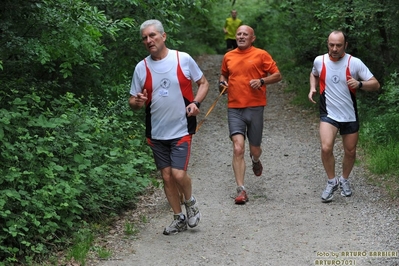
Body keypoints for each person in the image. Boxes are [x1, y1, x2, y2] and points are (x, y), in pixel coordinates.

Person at [129, 19, 209, 234]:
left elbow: (203, 83)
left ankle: (190, 203)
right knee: (166, 177)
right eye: (145, 38)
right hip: (156, 132)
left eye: (152, 35)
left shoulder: (182, 59)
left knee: (178, 175)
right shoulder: (142, 67)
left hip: (181, 129)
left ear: (163, 36)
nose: (148, 40)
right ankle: (178, 217)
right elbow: (133, 102)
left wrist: (196, 103)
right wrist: (136, 102)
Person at [308, 30, 380, 203]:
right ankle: (332, 181)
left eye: (338, 45)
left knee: (350, 151)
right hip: (329, 113)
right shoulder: (320, 60)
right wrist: (312, 88)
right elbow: (314, 73)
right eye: (331, 44)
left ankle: (344, 179)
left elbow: (376, 84)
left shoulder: (354, 63)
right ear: (327, 44)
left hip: (349, 114)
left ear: (345, 45)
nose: (334, 48)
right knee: (326, 148)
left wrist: (360, 83)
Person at [219, 25, 282, 204]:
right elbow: (223, 75)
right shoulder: (228, 56)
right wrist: (222, 84)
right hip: (234, 108)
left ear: (252, 38)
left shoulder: (261, 54)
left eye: (245, 34)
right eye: (238, 34)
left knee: (254, 149)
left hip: (255, 107)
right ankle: (241, 190)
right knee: (238, 148)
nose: (241, 36)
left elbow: (277, 75)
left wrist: (262, 80)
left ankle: (255, 159)